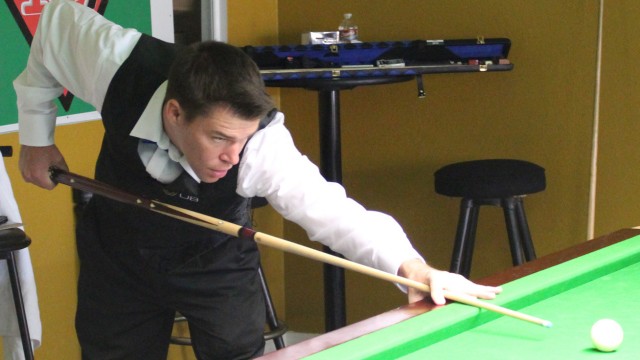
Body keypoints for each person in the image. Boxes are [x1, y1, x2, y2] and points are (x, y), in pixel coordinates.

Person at [14, 1, 502, 359]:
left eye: (242, 141)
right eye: (219, 138)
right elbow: (52, 26)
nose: (232, 156)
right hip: (117, 252)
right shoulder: (116, 62)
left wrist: (413, 269)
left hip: (215, 261)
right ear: (175, 111)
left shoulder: (261, 148)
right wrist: (37, 136)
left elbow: (332, 210)